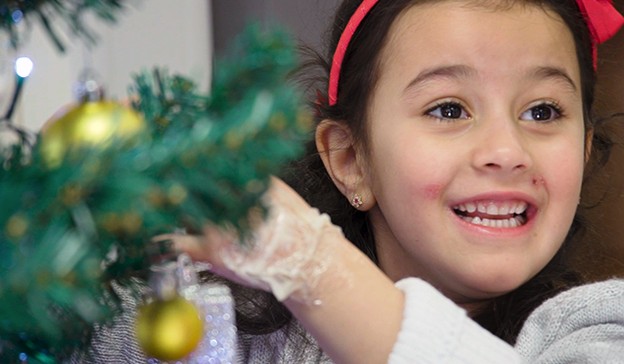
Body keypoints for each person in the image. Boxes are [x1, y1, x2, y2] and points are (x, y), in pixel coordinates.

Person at [83, 0, 624, 363]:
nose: (507, 151)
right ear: (350, 162)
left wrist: (308, 261)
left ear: (582, 148)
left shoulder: (599, 329)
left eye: (544, 111)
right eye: (449, 109)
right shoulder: (226, 327)